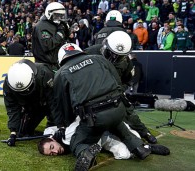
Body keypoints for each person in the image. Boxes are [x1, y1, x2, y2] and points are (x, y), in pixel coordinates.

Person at [52, 41, 151, 170]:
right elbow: (117, 83)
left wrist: (64, 124)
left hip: (95, 117)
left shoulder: (61, 73)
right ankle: (138, 147)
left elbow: (62, 103)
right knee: (118, 125)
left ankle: (84, 153)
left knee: (77, 140)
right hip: (117, 108)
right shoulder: (99, 59)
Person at [85, 31, 157, 144]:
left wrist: (119, 91)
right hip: (91, 92)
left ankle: (144, 132)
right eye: (111, 54)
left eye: (119, 57)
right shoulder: (90, 52)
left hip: (113, 91)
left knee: (129, 111)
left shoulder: (126, 62)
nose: (114, 58)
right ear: (105, 45)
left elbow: (128, 80)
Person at [38, 116, 170, 158]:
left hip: (99, 124)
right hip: (102, 140)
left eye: (52, 147)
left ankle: (140, 143)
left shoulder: (62, 135)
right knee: (124, 154)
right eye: (51, 154)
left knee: (132, 137)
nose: (55, 152)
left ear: (53, 140)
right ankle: (149, 147)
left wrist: (53, 133)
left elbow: (48, 129)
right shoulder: (65, 146)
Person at [3, 59, 56, 146]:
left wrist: (60, 125)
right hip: (31, 106)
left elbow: (54, 101)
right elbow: (12, 108)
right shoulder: (8, 84)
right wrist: (13, 132)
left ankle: (52, 124)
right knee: (23, 133)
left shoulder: (45, 73)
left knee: (58, 130)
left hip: (46, 100)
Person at [31, 2, 69, 70]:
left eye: (61, 15)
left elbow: (64, 40)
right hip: (44, 65)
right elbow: (47, 45)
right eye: (57, 15)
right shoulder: (42, 26)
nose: (59, 18)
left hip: (54, 63)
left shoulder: (55, 25)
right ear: (49, 14)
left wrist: (66, 29)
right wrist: (60, 34)